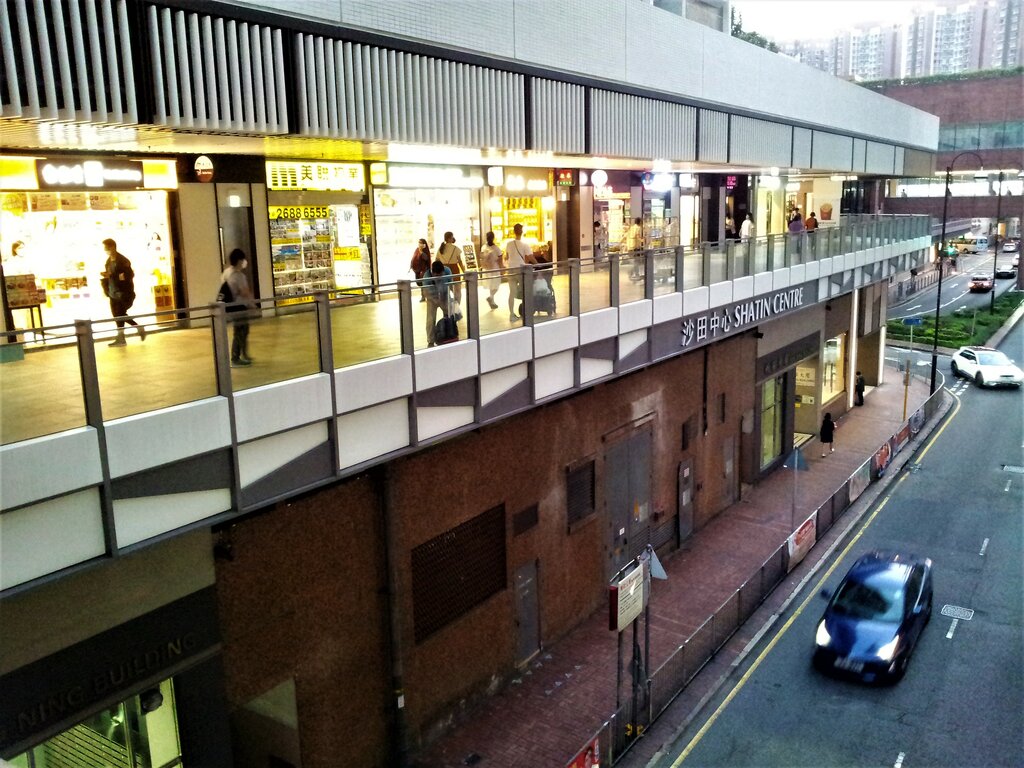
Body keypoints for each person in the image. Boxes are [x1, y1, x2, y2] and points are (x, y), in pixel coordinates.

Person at [100, 238, 145, 347]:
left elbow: (129, 275)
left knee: (120, 315)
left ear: (112, 247)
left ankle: (136, 329)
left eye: (106, 248)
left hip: (123, 293)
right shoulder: (108, 261)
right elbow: (111, 275)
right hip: (112, 293)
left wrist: (113, 276)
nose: (105, 250)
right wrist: (106, 276)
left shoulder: (123, 260)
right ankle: (123, 338)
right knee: (117, 316)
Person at [221, 248, 255, 366]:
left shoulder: (227, 272)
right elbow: (244, 292)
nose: (244, 262)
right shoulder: (238, 275)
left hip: (231, 306)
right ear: (240, 261)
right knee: (241, 331)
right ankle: (236, 357)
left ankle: (243, 354)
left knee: (241, 330)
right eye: (243, 259)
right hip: (239, 306)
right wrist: (252, 304)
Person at [504, 223, 536, 322]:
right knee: (524, 291)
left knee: (512, 293)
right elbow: (530, 257)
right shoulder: (524, 244)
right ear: (522, 232)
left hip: (511, 269)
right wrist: (538, 264)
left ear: (514, 232)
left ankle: (511, 314)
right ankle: (526, 311)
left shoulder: (509, 244)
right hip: (521, 270)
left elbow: (506, 257)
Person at [424, 258, 453, 346]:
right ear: (432, 272)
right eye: (436, 275)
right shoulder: (427, 276)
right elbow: (426, 292)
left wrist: (453, 298)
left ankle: (449, 335)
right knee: (430, 319)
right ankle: (430, 340)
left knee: (450, 315)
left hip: (445, 295)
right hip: (432, 298)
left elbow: (451, 285)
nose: (439, 277)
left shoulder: (447, 271)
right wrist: (436, 300)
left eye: (440, 275)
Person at [437, 231, 465, 304]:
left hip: (443, 270)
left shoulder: (441, 249)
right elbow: (460, 261)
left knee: (445, 290)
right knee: (457, 291)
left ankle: (447, 306)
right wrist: (464, 271)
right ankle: (456, 306)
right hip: (454, 270)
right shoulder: (455, 248)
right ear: (449, 238)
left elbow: (437, 260)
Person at [479, 231, 503, 310]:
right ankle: (491, 297)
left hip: (486, 269)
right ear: (493, 238)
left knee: (490, 285)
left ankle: (492, 302)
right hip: (494, 269)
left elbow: (481, 257)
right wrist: (502, 269)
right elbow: (500, 260)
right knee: (496, 286)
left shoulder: (483, 247)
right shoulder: (496, 248)